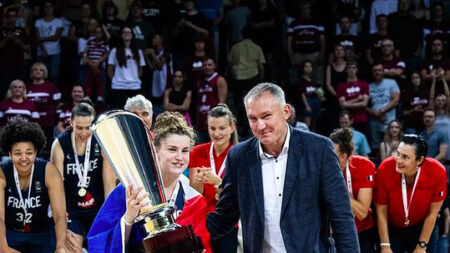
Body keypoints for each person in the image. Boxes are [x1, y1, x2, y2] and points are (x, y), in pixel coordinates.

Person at [206, 82, 359, 251]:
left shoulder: (319, 149)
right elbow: (224, 217)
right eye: (253, 118)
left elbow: (341, 216)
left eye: (266, 116)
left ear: (286, 112)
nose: (260, 126)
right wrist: (184, 224)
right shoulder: (238, 156)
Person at [87, 111, 211, 252]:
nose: (179, 157)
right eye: (172, 149)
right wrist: (128, 219)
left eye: (185, 151)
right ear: (156, 150)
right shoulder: (130, 189)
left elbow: (203, 247)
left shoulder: (194, 200)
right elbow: (100, 240)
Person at [50, 101, 117, 252]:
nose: (84, 133)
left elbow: (109, 187)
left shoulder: (101, 142)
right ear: (70, 123)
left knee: (104, 248)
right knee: (69, 249)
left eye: (88, 128)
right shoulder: (60, 144)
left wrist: (109, 221)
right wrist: (62, 227)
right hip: (71, 209)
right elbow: (56, 189)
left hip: (97, 208)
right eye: (79, 128)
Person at [0, 120, 66, 252]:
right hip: (11, 233)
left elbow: (59, 215)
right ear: (10, 155)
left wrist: (60, 246)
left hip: (41, 233)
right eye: (18, 153)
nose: (24, 158)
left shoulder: (49, 172)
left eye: (29, 153)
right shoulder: (2, 172)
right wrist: (3, 247)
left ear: (36, 153)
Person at [375, 135, 447, 253]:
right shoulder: (385, 168)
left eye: (405, 157)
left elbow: (433, 213)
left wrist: (422, 246)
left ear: (419, 160)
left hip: (422, 226)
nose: (398, 160)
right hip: (392, 227)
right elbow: (381, 211)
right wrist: (385, 245)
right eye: (398, 153)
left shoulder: (437, 171)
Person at [189, 104, 238, 253]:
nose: (217, 133)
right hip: (202, 220)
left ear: (232, 128)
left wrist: (218, 181)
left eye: (222, 128)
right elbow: (194, 195)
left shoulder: (239, 154)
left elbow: (239, 195)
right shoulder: (197, 152)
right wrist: (199, 181)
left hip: (228, 222)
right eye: (212, 128)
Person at [330, 128, 376, 253]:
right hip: (333, 231)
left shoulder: (364, 166)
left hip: (362, 230)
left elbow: (362, 212)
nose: (327, 158)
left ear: (344, 157)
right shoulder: (322, 166)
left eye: (332, 155)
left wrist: (338, 190)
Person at [107, 25, 146, 109]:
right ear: (121, 35)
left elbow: (140, 69)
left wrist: (135, 78)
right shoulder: (114, 51)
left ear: (132, 35)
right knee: (118, 112)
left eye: (129, 32)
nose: (126, 34)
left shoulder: (138, 51)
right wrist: (115, 80)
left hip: (134, 87)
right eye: (124, 32)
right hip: (118, 87)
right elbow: (110, 69)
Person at [27, 62, 61, 150]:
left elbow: (57, 104)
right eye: (35, 70)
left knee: (48, 145)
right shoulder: (27, 87)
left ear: (44, 73)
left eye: (41, 70)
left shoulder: (51, 86)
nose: (38, 72)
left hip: (48, 121)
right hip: (31, 122)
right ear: (31, 73)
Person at [196, 58, 228, 143]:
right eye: (205, 65)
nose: (207, 67)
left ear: (215, 66)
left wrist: (214, 118)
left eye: (209, 65)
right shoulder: (200, 82)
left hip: (214, 123)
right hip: (201, 123)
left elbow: (222, 103)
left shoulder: (219, 80)